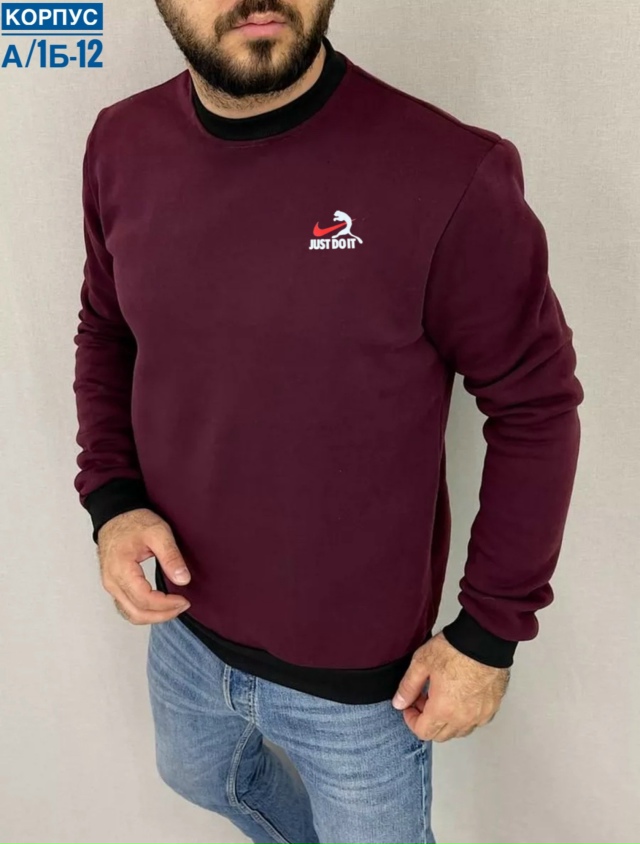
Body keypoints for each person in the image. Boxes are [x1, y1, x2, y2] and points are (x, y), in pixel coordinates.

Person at [72, 1, 584, 841]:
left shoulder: (448, 172)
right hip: (183, 622)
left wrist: (490, 633)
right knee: (199, 778)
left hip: (361, 680)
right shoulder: (120, 142)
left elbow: (535, 405)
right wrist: (112, 498)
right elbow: (107, 328)